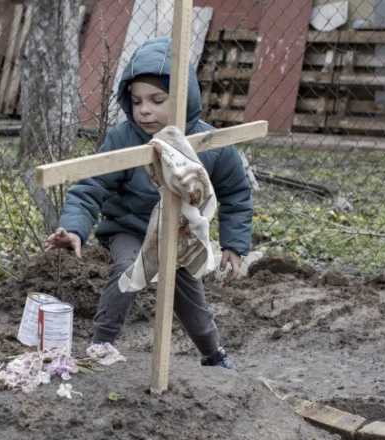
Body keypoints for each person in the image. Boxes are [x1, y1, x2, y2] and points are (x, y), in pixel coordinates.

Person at [44, 37, 253, 369]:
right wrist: (74, 228)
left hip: (180, 232)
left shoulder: (210, 144)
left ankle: (213, 355)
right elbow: (91, 185)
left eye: (157, 100)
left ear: (184, 98)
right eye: (137, 100)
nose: (144, 109)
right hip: (130, 228)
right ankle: (101, 345)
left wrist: (235, 243)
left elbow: (236, 194)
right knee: (129, 268)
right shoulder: (124, 139)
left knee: (190, 298)